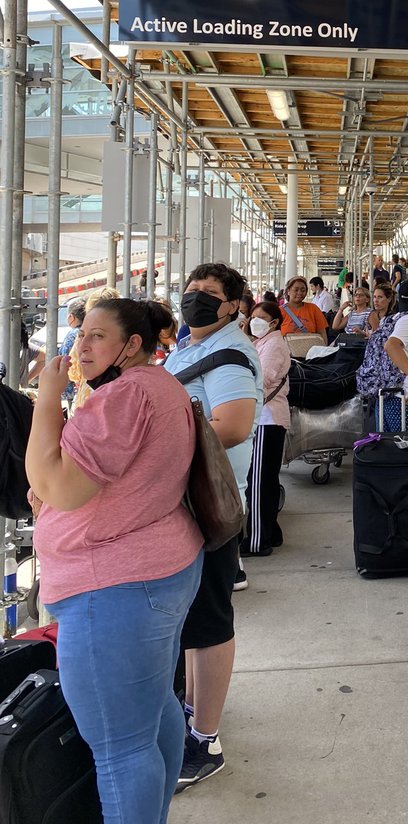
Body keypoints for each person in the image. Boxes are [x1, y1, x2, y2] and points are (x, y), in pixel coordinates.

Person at [27, 298, 203, 824]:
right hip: (160, 568)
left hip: (113, 585)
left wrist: (48, 399)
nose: (82, 345)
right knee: (154, 711)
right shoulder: (159, 384)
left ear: (132, 344)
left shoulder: (124, 396)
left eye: (98, 336)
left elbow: (58, 485)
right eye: (82, 333)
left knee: (119, 747)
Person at [166, 263, 262, 792]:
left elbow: (232, 425)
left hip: (207, 506)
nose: (194, 298)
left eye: (207, 293)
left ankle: (205, 741)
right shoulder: (190, 347)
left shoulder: (228, 354)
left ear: (231, 306)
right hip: (183, 504)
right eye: (190, 289)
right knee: (190, 620)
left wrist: (155, 445)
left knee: (207, 622)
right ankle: (190, 713)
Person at [244, 299, 291, 557]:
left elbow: (261, 379)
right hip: (268, 419)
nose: (254, 321)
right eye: (252, 317)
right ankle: (271, 531)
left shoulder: (273, 345)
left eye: (260, 318)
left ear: (273, 323)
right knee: (265, 480)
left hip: (267, 419)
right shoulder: (262, 342)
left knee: (259, 482)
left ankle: (258, 541)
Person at [356, 278, 408, 435]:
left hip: (384, 393)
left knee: (388, 448)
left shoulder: (390, 319)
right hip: (404, 396)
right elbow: (391, 346)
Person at [59, 298, 86, 405]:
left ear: (71, 317)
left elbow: (65, 358)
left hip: (75, 386)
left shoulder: (72, 335)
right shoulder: (91, 331)